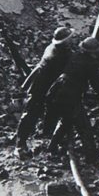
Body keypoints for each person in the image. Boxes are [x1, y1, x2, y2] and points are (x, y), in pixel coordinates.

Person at [43, 36, 99, 160]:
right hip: (71, 97)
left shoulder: (73, 55)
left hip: (57, 92)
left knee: (66, 121)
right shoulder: (91, 64)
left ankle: (52, 147)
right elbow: (96, 85)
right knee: (84, 127)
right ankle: (92, 157)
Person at [15, 26, 75, 156]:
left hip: (43, 80)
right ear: (65, 42)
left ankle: (46, 134)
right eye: (70, 39)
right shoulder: (58, 55)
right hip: (42, 85)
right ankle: (20, 145)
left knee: (41, 110)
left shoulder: (54, 48)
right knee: (32, 112)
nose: (72, 41)